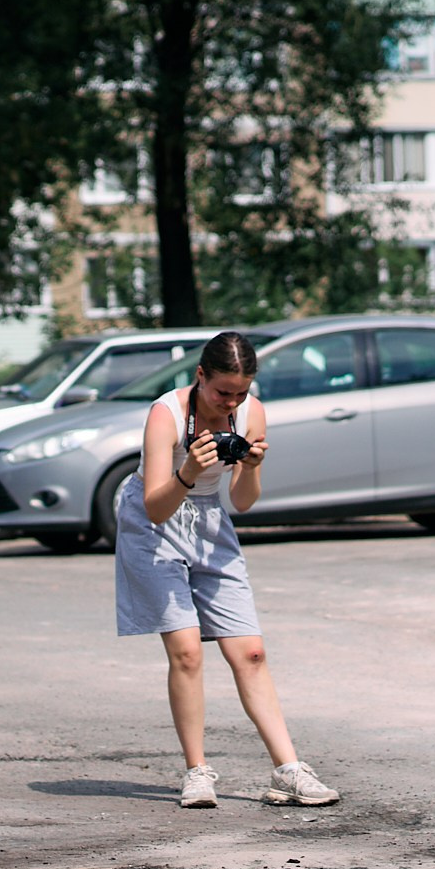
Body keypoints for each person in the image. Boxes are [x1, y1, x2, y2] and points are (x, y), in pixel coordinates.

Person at [116, 331, 340, 810]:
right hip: (153, 523)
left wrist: (253, 466)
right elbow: (156, 507)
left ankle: (288, 771)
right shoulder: (166, 414)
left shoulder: (251, 411)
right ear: (200, 377)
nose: (231, 403)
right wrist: (189, 472)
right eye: (222, 393)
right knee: (188, 652)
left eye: (241, 393)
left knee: (251, 652)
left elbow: (240, 501)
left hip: (210, 521)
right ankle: (197, 773)